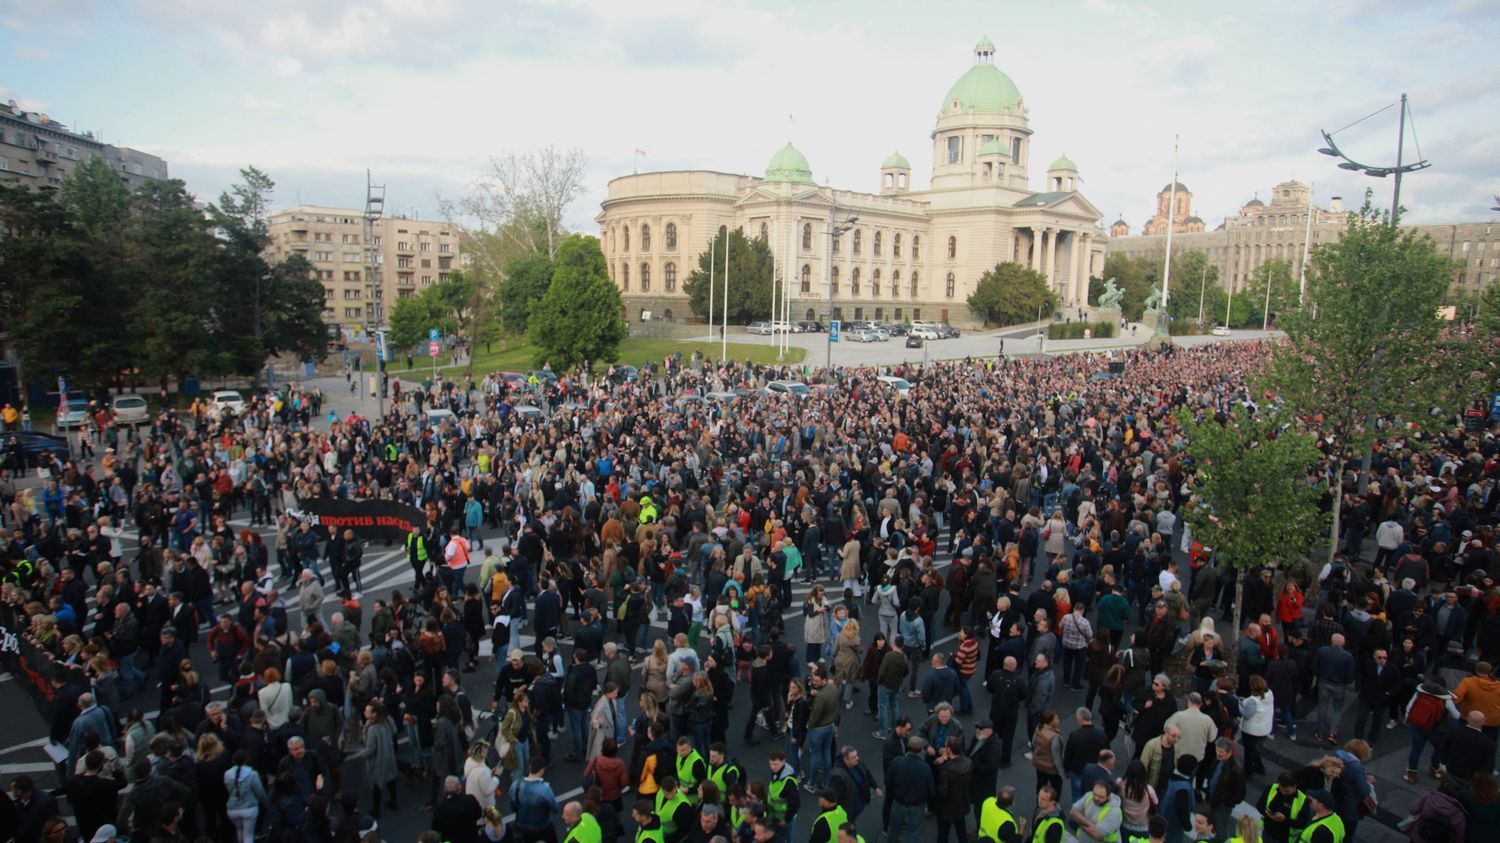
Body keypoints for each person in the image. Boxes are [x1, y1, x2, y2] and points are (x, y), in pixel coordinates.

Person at [885, 736, 935, 843]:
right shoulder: (925, 768)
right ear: (922, 750)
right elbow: (931, 790)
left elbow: (888, 781)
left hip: (899, 802)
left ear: (908, 747)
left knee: (893, 829)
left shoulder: (897, 761)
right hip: (917, 805)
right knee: (914, 832)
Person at [510, 757, 560, 842]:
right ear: (541, 771)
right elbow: (555, 808)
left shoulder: (515, 785)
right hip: (542, 826)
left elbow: (513, 806)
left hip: (523, 826)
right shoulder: (545, 789)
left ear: (530, 767)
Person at [224, 750, 269, 843]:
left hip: (232, 809)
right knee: (248, 835)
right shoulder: (253, 774)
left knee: (239, 831)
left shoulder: (227, 774)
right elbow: (260, 792)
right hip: (249, 809)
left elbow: (228, 789)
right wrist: (266, 803)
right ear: (246, 760)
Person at [1258, 772, 1309, 843]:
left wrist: (1284, 819)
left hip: (1286, 838)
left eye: (1287, 791)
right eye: (1281, 789)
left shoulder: (1303, 800)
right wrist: (1267, 813)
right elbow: (1259, 805)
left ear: (1294, 786)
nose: (1283, 792)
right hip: (1268, 833)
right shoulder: (1271, 788)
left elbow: (1302, 823)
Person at [434, 775, 484, 843]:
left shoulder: (441, 807)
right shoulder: (470, 800)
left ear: (444, 789)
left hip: (449, 840)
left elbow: (436, 828)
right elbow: (479, 814)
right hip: (471, 837)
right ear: (459, 787)